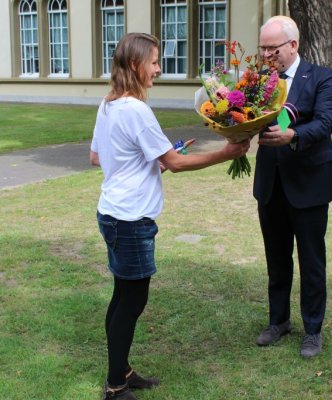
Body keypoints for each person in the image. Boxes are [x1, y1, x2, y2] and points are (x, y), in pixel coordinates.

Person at [89, 32, 249, 400]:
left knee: (122, 296)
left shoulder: (108, 104)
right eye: (154, 62)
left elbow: (97, 157)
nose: (159, 69)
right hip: (130, 219)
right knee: (132, 302)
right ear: (136, 65)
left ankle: (121, 370)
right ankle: (115, 386)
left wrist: (149, 163)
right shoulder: (136, 110)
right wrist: (226, 153)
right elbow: (175, 163)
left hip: (112, 213)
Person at [253, 16, 332, 357]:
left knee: (311, 261)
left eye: (271, 49)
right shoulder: (259, 81)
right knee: (276, 258)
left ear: (293, 45)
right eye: (262, 48)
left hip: (309, 184)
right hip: (270, 184)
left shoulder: (322, 77)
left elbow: (326, 121)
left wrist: (294, 135)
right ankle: (278, 321)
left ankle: (313, 329)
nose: (266, 55)